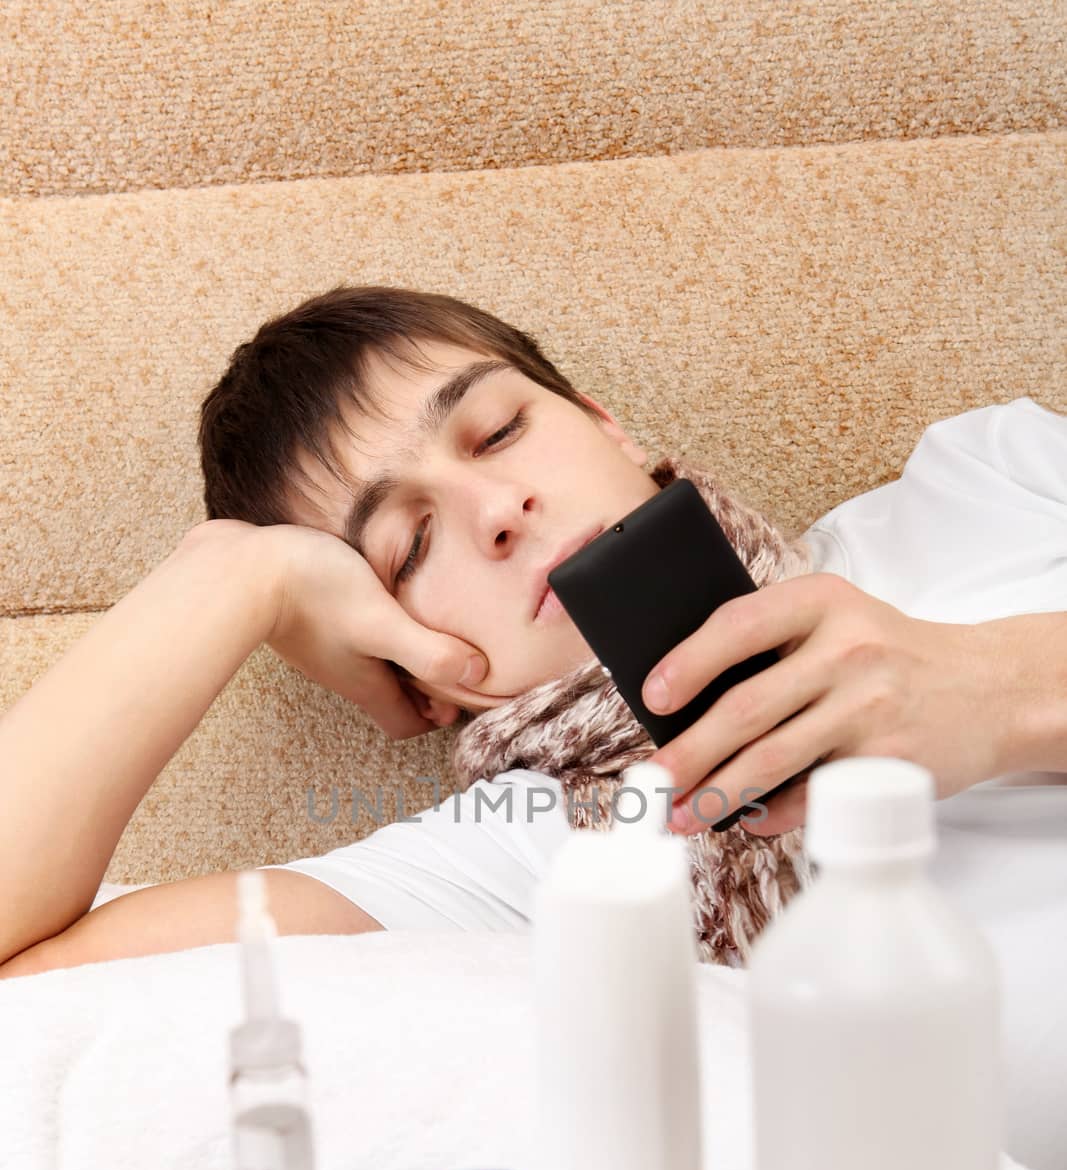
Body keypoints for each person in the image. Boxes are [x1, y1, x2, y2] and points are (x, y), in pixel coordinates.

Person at [0, 286, 1064, 994]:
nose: (496, 508)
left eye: (499, 430)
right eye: (408, 542)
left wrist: (1001, 690)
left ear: (608, 427)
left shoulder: (982, 481)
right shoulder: (503, 867)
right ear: (416, 678)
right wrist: (231, 579)